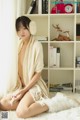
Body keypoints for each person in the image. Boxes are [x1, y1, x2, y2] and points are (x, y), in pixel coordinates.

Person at [0, 16, 49, 118]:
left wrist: (24, 91)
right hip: (21, 86)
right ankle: (26, 102)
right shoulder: (19, 45)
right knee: (2, 103)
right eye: (19, 29)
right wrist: (21, 90)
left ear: (30, 28)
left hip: (33, 86)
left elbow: (38, 73)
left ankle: (50, 104)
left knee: (21, 113)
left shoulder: (36, 45)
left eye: (24, 28)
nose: (21, 32)